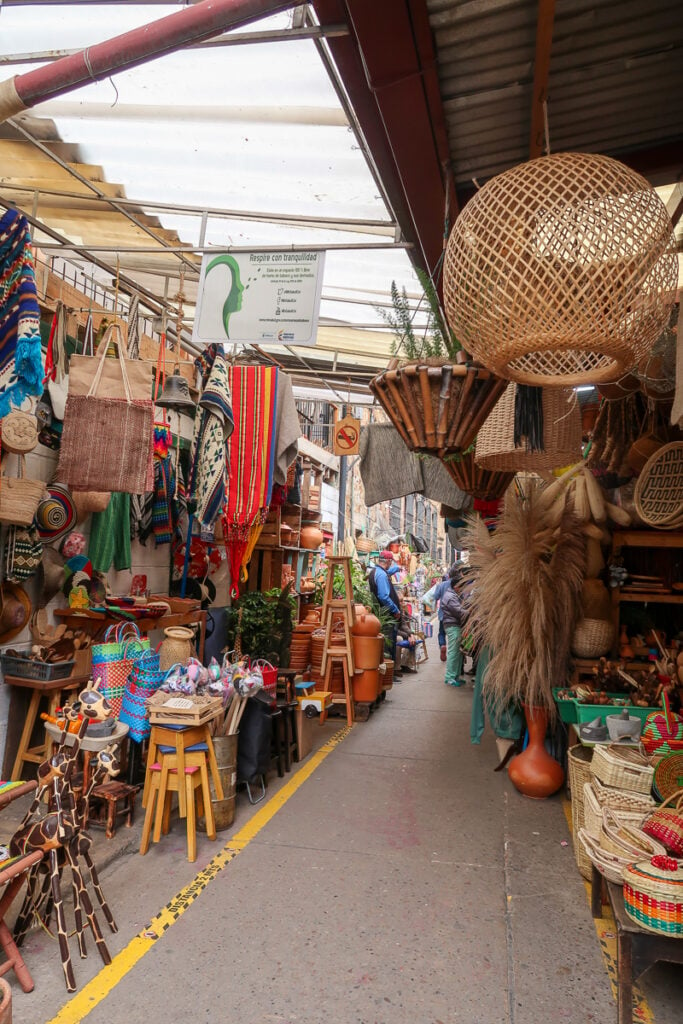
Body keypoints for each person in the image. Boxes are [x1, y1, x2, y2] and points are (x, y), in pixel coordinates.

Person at [421, 563, 462, 662]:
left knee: (442, 633)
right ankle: (455, 654)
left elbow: (435, 597)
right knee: (454, 635)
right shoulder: (459, 584)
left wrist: (434, 607)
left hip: (443, 614)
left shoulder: (442, 585)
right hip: (455, 613)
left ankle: (442, 645)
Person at [441, 568, 467, 687]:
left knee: (458, 653)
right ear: (456, 586)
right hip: (453, 626)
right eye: (461, 586)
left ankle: (455, 676)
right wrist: (471, 612)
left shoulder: (453, 595)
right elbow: (459, 611)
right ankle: (450, 677)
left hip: (454, 626)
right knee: (454, 653)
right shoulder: (450, 597)